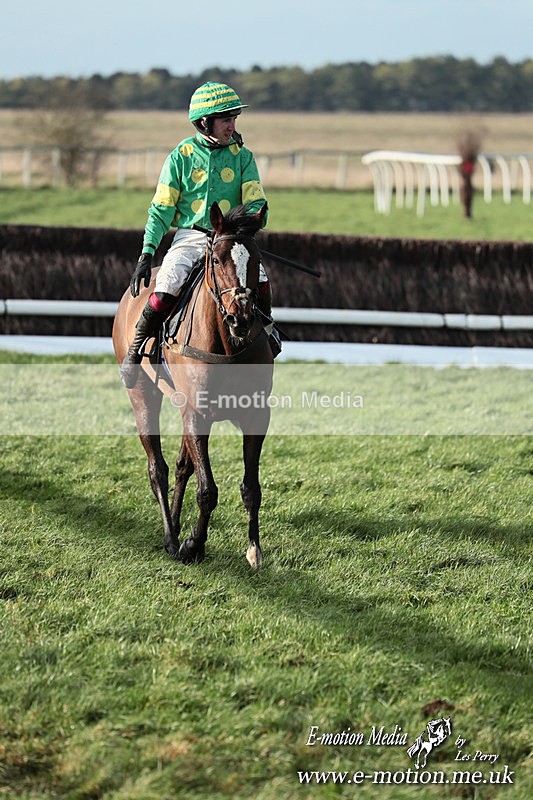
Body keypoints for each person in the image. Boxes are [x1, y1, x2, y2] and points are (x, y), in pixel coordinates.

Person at [120, 81, 280, 389]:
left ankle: (267, 330)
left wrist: (256, 216)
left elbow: (255, 198)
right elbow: (161, 209)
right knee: (167, 285)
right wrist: (147, 252)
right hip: (191, 237)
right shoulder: (180, 156)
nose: (232, 125)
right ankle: (136, 348)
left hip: (231, 238)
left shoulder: (243, 156)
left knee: (259, 278)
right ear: (205, 122)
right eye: (226, 119)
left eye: (234, 119)